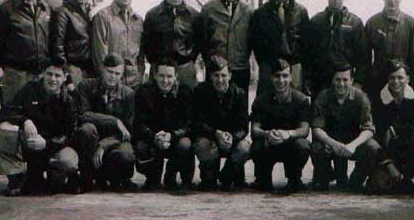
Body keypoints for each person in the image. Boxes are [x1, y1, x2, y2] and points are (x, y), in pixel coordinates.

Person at [0, 59, 79, 196]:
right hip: (29, 143)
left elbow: (71, 134)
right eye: (49, 74)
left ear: (64, 78)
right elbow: (7, 111)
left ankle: (54, 174)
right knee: (5, 128)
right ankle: (15, 178)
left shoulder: (69, 100)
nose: (52, 79)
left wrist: (47, 143)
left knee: (68, 161)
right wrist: (25, 121)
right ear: (43, 74)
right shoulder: (30, 89)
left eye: (57, 76)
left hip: (53, 147)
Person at [310, 62, 379, 192]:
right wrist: (333, 144)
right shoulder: (323, 97)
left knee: (372, 147)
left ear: (352, 81)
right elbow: (316, 128)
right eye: (338, 79)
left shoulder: (361, 98)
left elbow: (369, 129)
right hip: (330, 143)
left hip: (352, 142)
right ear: (332, 80)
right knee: (316, 148)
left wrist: (353, 145)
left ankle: (356, 180)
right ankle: (325, 177)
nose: (341, 84)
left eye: (345, 80)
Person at [0, 0, 51, 104]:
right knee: (16, 116)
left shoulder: (47, 9)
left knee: (41, 117)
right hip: (17, 76)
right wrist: (10, 66)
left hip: (41, 75)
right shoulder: (5, 9)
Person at [76, 53, 138, 192]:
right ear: (102, 69)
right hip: (92, 139)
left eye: (117, 73)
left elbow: (128, 130)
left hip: (115, 140)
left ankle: (119, 179)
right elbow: (83, 115)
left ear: (122, 74)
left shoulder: (128, 94)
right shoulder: (86, 86)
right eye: (110, 72)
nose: (113, 76)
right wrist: (114, 121)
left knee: (126, 155)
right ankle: (87, 178)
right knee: (86, 129)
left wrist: (103, 145)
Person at [133, 58, 194, 191]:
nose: (165, 81)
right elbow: (138, 123)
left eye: (169, 76)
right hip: (153, 138)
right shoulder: (143, 92)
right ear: (154, 75)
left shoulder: (185, 92)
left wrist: (172, 136)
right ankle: (152, 177)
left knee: (186, 144)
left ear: (176, 76)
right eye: (161, 76)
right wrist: (153, 136)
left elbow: (189, 124)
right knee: (141, 146)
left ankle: (172, 175)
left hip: (174, 139)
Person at [250, 59, 311, 193]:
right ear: (271, 77)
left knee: (303, 145)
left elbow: (305, 129)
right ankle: (263, 179)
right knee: (256, 146)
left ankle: (294, 180)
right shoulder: (261, 99)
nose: (281, 80)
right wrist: (267, 134)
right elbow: (254, 129)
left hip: (290, 144)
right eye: (277, 76)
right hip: (269, 143)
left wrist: (288, 134)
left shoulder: (301, 100)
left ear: (290, 77)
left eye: (285, 76)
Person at [370, 59, 414, 194]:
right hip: (387, 151)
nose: (396, 82)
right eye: (392, 78)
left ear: (408, 78)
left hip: (409, 150)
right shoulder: (378, 100)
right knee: (380, 188)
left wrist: (395, 129)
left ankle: (407, 178)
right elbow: (377, 135)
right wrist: (389, 164)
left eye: (400, 77)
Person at [192, 55, 250, 191]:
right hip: (209, 136)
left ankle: (228, 174)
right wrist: (215, 133)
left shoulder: (239, 94)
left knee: (245, 148)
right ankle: (209, 175)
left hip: (231, 137)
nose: (220, 80)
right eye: (216, 75)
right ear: (210, 76)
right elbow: (197, 122)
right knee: (202, 145)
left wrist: (232, 137)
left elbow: (244, 127)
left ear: (230, 75)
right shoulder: (200, 92)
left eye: (223, 75)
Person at [303, 0, 366, 101]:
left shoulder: (355, 22)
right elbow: (308, 53)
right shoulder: (316, 21)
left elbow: (363, 55)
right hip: (320, 80)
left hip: (344, 80)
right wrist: (307, 78)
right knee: (320, 113)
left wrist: (358, 81)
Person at [250, 0, 309, 95]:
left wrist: (298, 63)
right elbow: (256, 43)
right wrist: (267, 63)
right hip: (270, 65)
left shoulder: (300, 11)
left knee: (294, 103)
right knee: (267, 102)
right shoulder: (261, 13)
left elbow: (306, 42)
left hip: (294, 65)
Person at [199, 0, 253, 101]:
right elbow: (202, 40)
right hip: (216, 70)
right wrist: (210, 62)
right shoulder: (209, 9)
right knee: (213, 105)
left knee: (239, 106)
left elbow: (253, 41)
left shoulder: (248, 11)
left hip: (239, 68)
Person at [142, 0, 201, 89]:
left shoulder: (194, 16)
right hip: (160, 70)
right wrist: (157, 63)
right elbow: (147, 44)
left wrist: (188, 60)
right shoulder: (153, 15)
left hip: (185, 69)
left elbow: (199, 43)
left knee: (187, 102)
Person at [364, 0, 414, 99]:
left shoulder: (411, 24)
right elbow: (365, 58)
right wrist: (365, 84)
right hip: (378, 80)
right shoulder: (372, 23)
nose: (392, 0)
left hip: (402, 81)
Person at [92, 0, 144, 89]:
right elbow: (100, 53)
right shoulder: (103, 16)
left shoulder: (138, 20)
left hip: (134, 83)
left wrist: (139, 76)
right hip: (112, 81)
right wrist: (108, 80)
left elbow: (140, 54)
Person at [50, 0, 96, 85]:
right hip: (74, 70)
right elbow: (57, 48)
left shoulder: (90, 11)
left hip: (91, 70)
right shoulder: (62, 12)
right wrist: (68, 78)